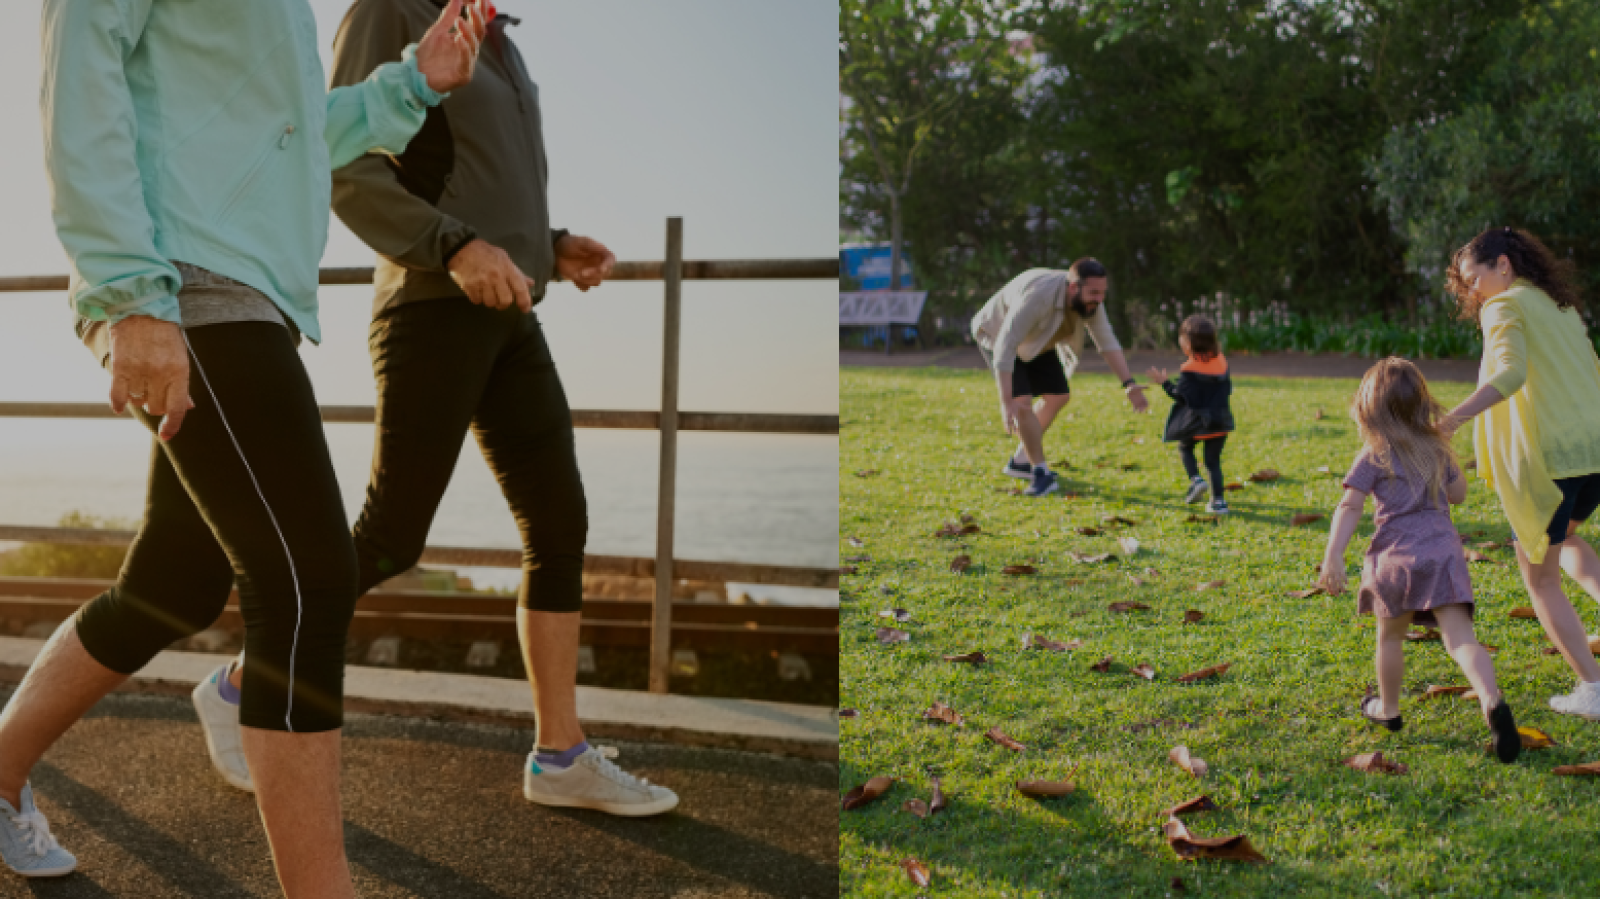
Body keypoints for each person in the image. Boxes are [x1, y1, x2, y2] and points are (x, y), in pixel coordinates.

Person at [0, 0, 485, 890]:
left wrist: (413, 81)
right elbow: (78, 74)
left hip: (244, 291)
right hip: (184, 281)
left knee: (172, 582)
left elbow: (287, 132)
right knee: (308, 579)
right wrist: (128, 291)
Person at [188, 0, 678, 817]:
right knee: (391, 534)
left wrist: (542, 242)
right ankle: (241, 684)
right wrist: (453, 245)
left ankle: (561, 754)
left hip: (509, 306)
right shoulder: (387, 10)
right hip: (429, 303)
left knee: (559, 525)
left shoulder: (502, 36)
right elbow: (335, 162)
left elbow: (470, 164)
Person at [1318, 359, 1521, 763]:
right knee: (1461, 639)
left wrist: (1333, 556)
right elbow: (1459, 495)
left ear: (1369, 408)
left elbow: (1349, 505)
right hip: (1442, 553)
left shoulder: (1372, 454)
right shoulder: (1435, 448)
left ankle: (1388, 710)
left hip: (1393, 557)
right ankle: (1491, 699)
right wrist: (1445, 450)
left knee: (1390, 637)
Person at [1440, 226, 1600, 721]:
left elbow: (1507, 375)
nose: (1473, 291)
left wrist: (1447, 424)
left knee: (1541, 580)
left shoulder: (1502, 305)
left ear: (1503, 265)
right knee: (1567, 540)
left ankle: (1593, 690)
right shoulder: (1561, 307)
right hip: (1593, 453)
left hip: (1552, 463)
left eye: (1475, 278)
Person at [970, 259, 1149, 498]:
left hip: (1038, 341)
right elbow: (1006, 344)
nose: (1099, 299)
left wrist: (1128, 384)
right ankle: (1041, 473)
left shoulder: (1091, 302)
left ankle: (1021, 460)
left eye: (1103, 292)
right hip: (998, 336)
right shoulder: (1039, 297)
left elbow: (1106, 341)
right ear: (1073, 287)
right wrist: (1006, 402)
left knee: (1058, 396)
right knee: (1021, 403)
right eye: (1094, 292)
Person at [1148, 314, 1234, 514]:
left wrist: (1165, 383)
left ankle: (1196, 480)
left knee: (1185, 448)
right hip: (1222, 420)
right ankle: (1218, 502)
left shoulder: (1189, 369)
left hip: (1199, 423)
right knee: (1213, 462)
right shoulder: (1221, 361)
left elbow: (1182, 397)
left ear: (1187, 343)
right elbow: (1227, 389)